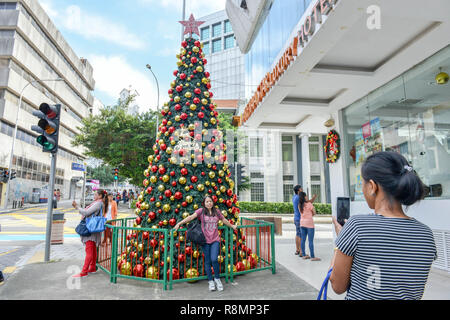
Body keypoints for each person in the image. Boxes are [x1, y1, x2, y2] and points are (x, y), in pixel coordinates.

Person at [329, 151, 437, 300]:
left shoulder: (356, 226)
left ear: (372, 186)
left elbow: (337, 286)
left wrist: (340, 242)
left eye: (363, 183)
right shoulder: (426, 234)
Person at [173, 195, 237, 292]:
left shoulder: (217, 212)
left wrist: (232, 226)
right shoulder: (201, 211)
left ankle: (217, 279)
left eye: (210, 201)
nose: (209, 203)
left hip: (215, 239)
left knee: (214, 259)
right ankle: (210, 281)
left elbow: (223, 220)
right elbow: (190, 217)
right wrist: (179, 223)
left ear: (213, 202)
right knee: (207, 261)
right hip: (205, 240)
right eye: (207, 202)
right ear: (204, 203)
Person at [71, 189, 109, 278]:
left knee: (89, 250)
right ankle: (92, 268)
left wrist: (76, 207)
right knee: (93, 249)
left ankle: (84, 272)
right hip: (94, 229)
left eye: (95, 194)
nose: (94, 196)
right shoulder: (100, 203)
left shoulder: (98, 203)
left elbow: (86, 212)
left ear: (100, 196)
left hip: (91, 229)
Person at [299, 192, 320, 261]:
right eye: (306, 196)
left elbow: (301, 213)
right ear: (304, 197)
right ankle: (312, 256)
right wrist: (310, 215)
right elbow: (314, 212)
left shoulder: (299, 205)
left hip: (302, 223)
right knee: (310, 241)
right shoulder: (309, 204)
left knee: (303, 239)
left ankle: (304, 255)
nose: (307, 197)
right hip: (309, 224)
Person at [292, 185, 302, 256]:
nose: (302, 189)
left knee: (297, 234)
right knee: (301, 235)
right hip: (299, 218)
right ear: (298, 190)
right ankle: (301, 251)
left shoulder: (294, 197)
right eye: (301, 189)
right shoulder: (299, 197)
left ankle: (297, 249)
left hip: (296, 218)